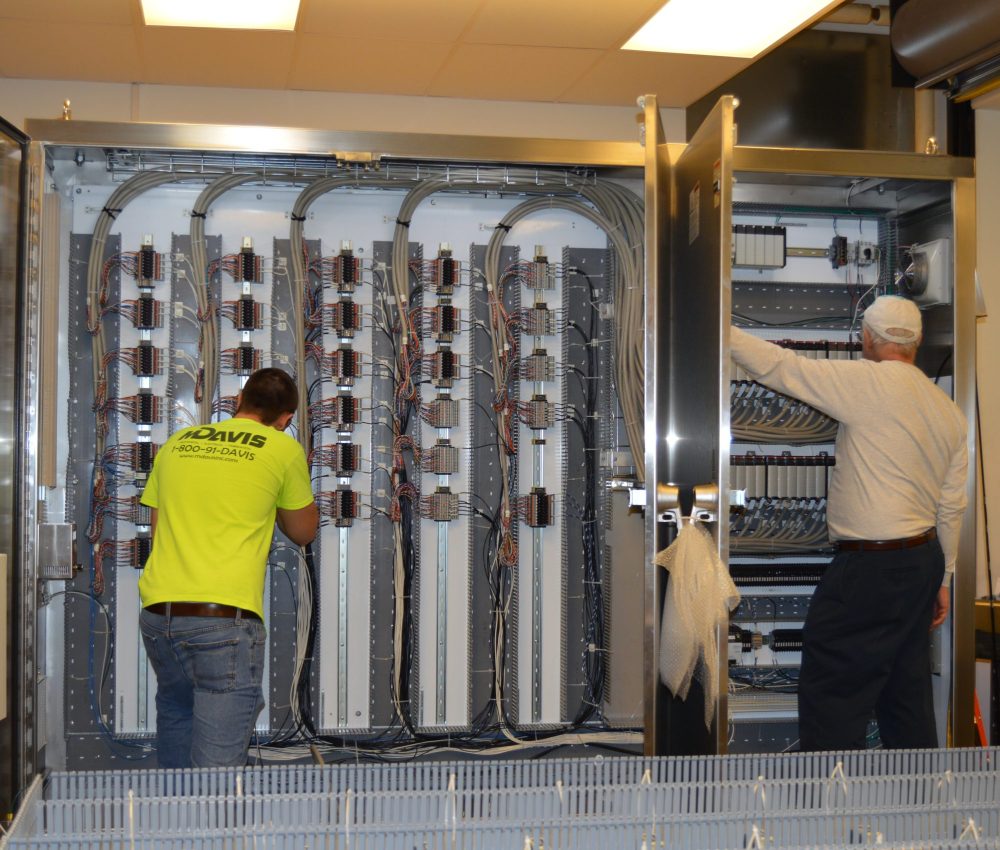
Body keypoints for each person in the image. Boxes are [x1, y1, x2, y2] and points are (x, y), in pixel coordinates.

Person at [730, 295, 967, 750]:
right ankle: (917, 805)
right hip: (923, 562)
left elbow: (781, 367)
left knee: (833, 687)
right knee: (906, 690)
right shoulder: (946, 410)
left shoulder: (867, 383)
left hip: (870, 567)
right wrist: (945, 579)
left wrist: (720, 331)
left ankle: (831, 809)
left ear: (867, 339)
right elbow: (951, 506)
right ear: (915, 343)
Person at [138, 368, 318, 767]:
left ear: (239, 400)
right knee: (215, 775)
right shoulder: (281, 449)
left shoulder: (178, 442)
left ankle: (171, 824)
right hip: (223, 620)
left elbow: (157, 527)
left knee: (177, 725)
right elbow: (304, 532)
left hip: (160, 615)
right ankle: (210, 828)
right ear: (286, 419)